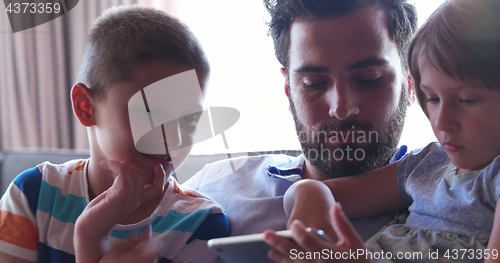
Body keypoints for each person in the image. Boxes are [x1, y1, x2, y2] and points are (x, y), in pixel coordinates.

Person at [265, 0, 500, 261]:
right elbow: (322, 192)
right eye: (432, 99)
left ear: (407, 85)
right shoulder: (427, 165)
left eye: (467, 100)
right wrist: (310, 202)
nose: (441, 122)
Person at [0, 6, 229, 263]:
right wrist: (90, 239)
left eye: (188, 119)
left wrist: (91, 240)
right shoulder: (33, 194)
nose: (173, 138)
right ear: (86, 107)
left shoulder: (201, 224)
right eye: (152, 112)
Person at [184, 0, 417, 242]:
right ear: (288, 89)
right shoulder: (214, 186)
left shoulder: (447, 197)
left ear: (410, 84)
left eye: (370, 79)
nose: (341, 108)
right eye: (313, 84)